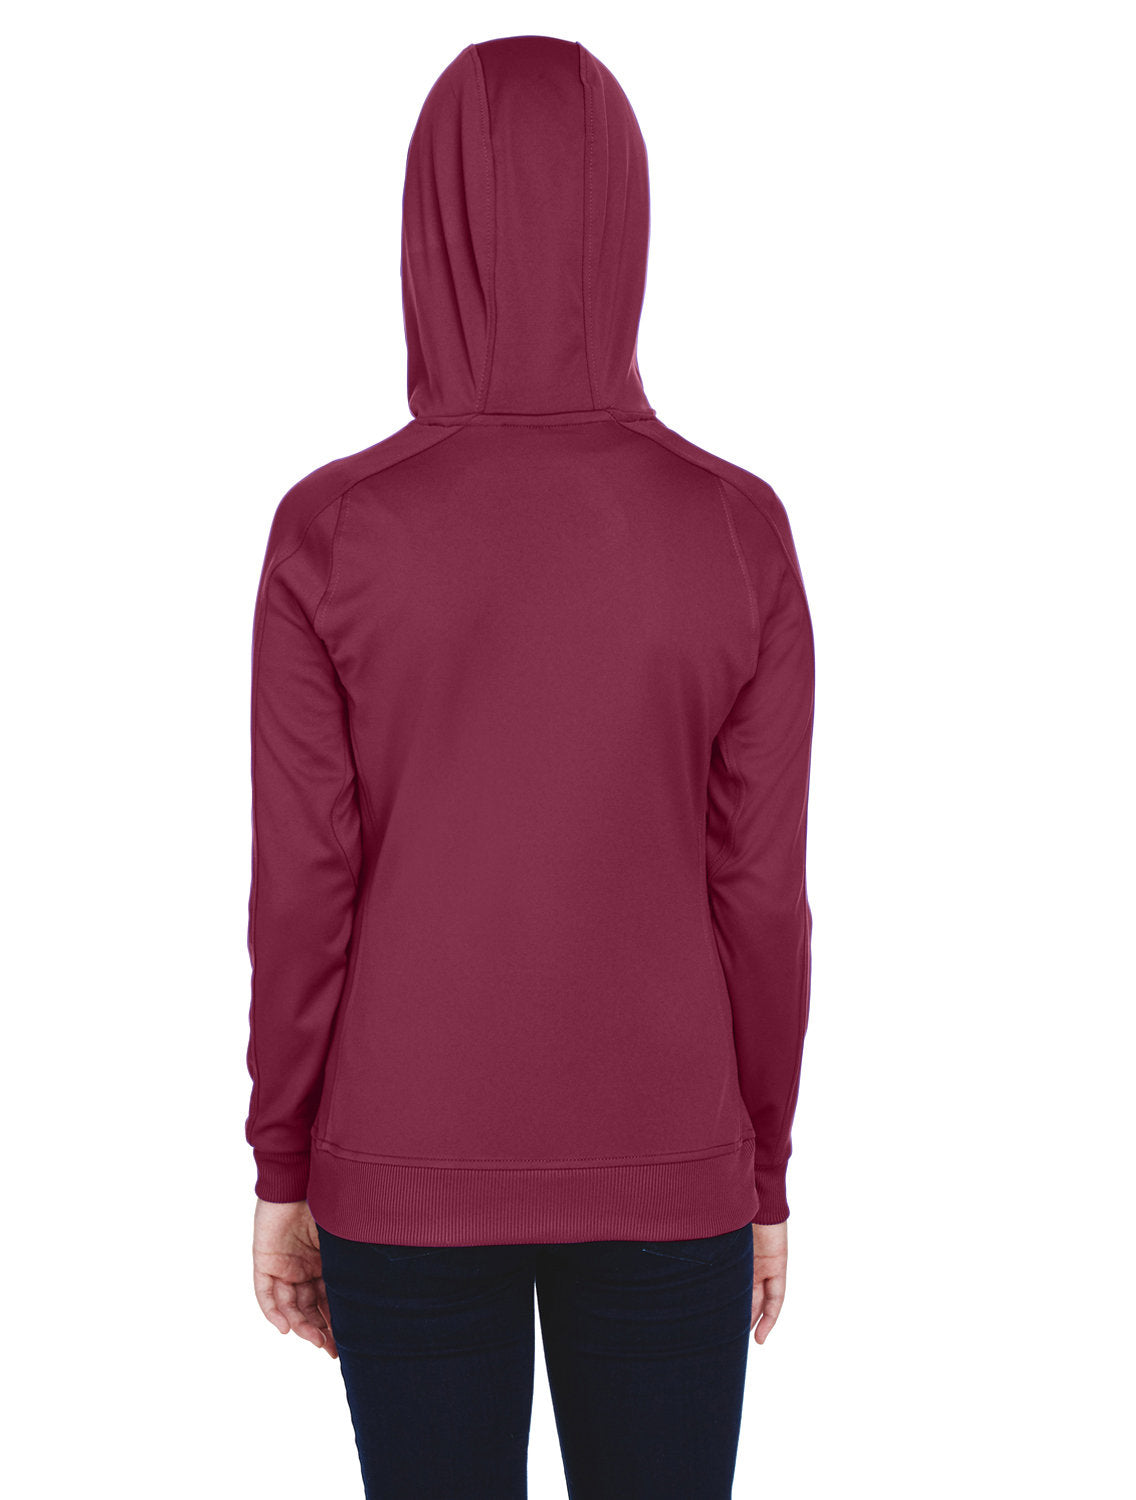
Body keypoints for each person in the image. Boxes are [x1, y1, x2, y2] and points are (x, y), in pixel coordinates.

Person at [245, 32, 816, 1500]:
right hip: (670, 1156)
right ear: (627, 222)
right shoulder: (736, 530)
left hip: (401, 1160)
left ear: (424, 226)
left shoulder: (330, 533)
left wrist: (283, 1163)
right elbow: (761, 898)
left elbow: (304, 891)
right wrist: (759, 1171)